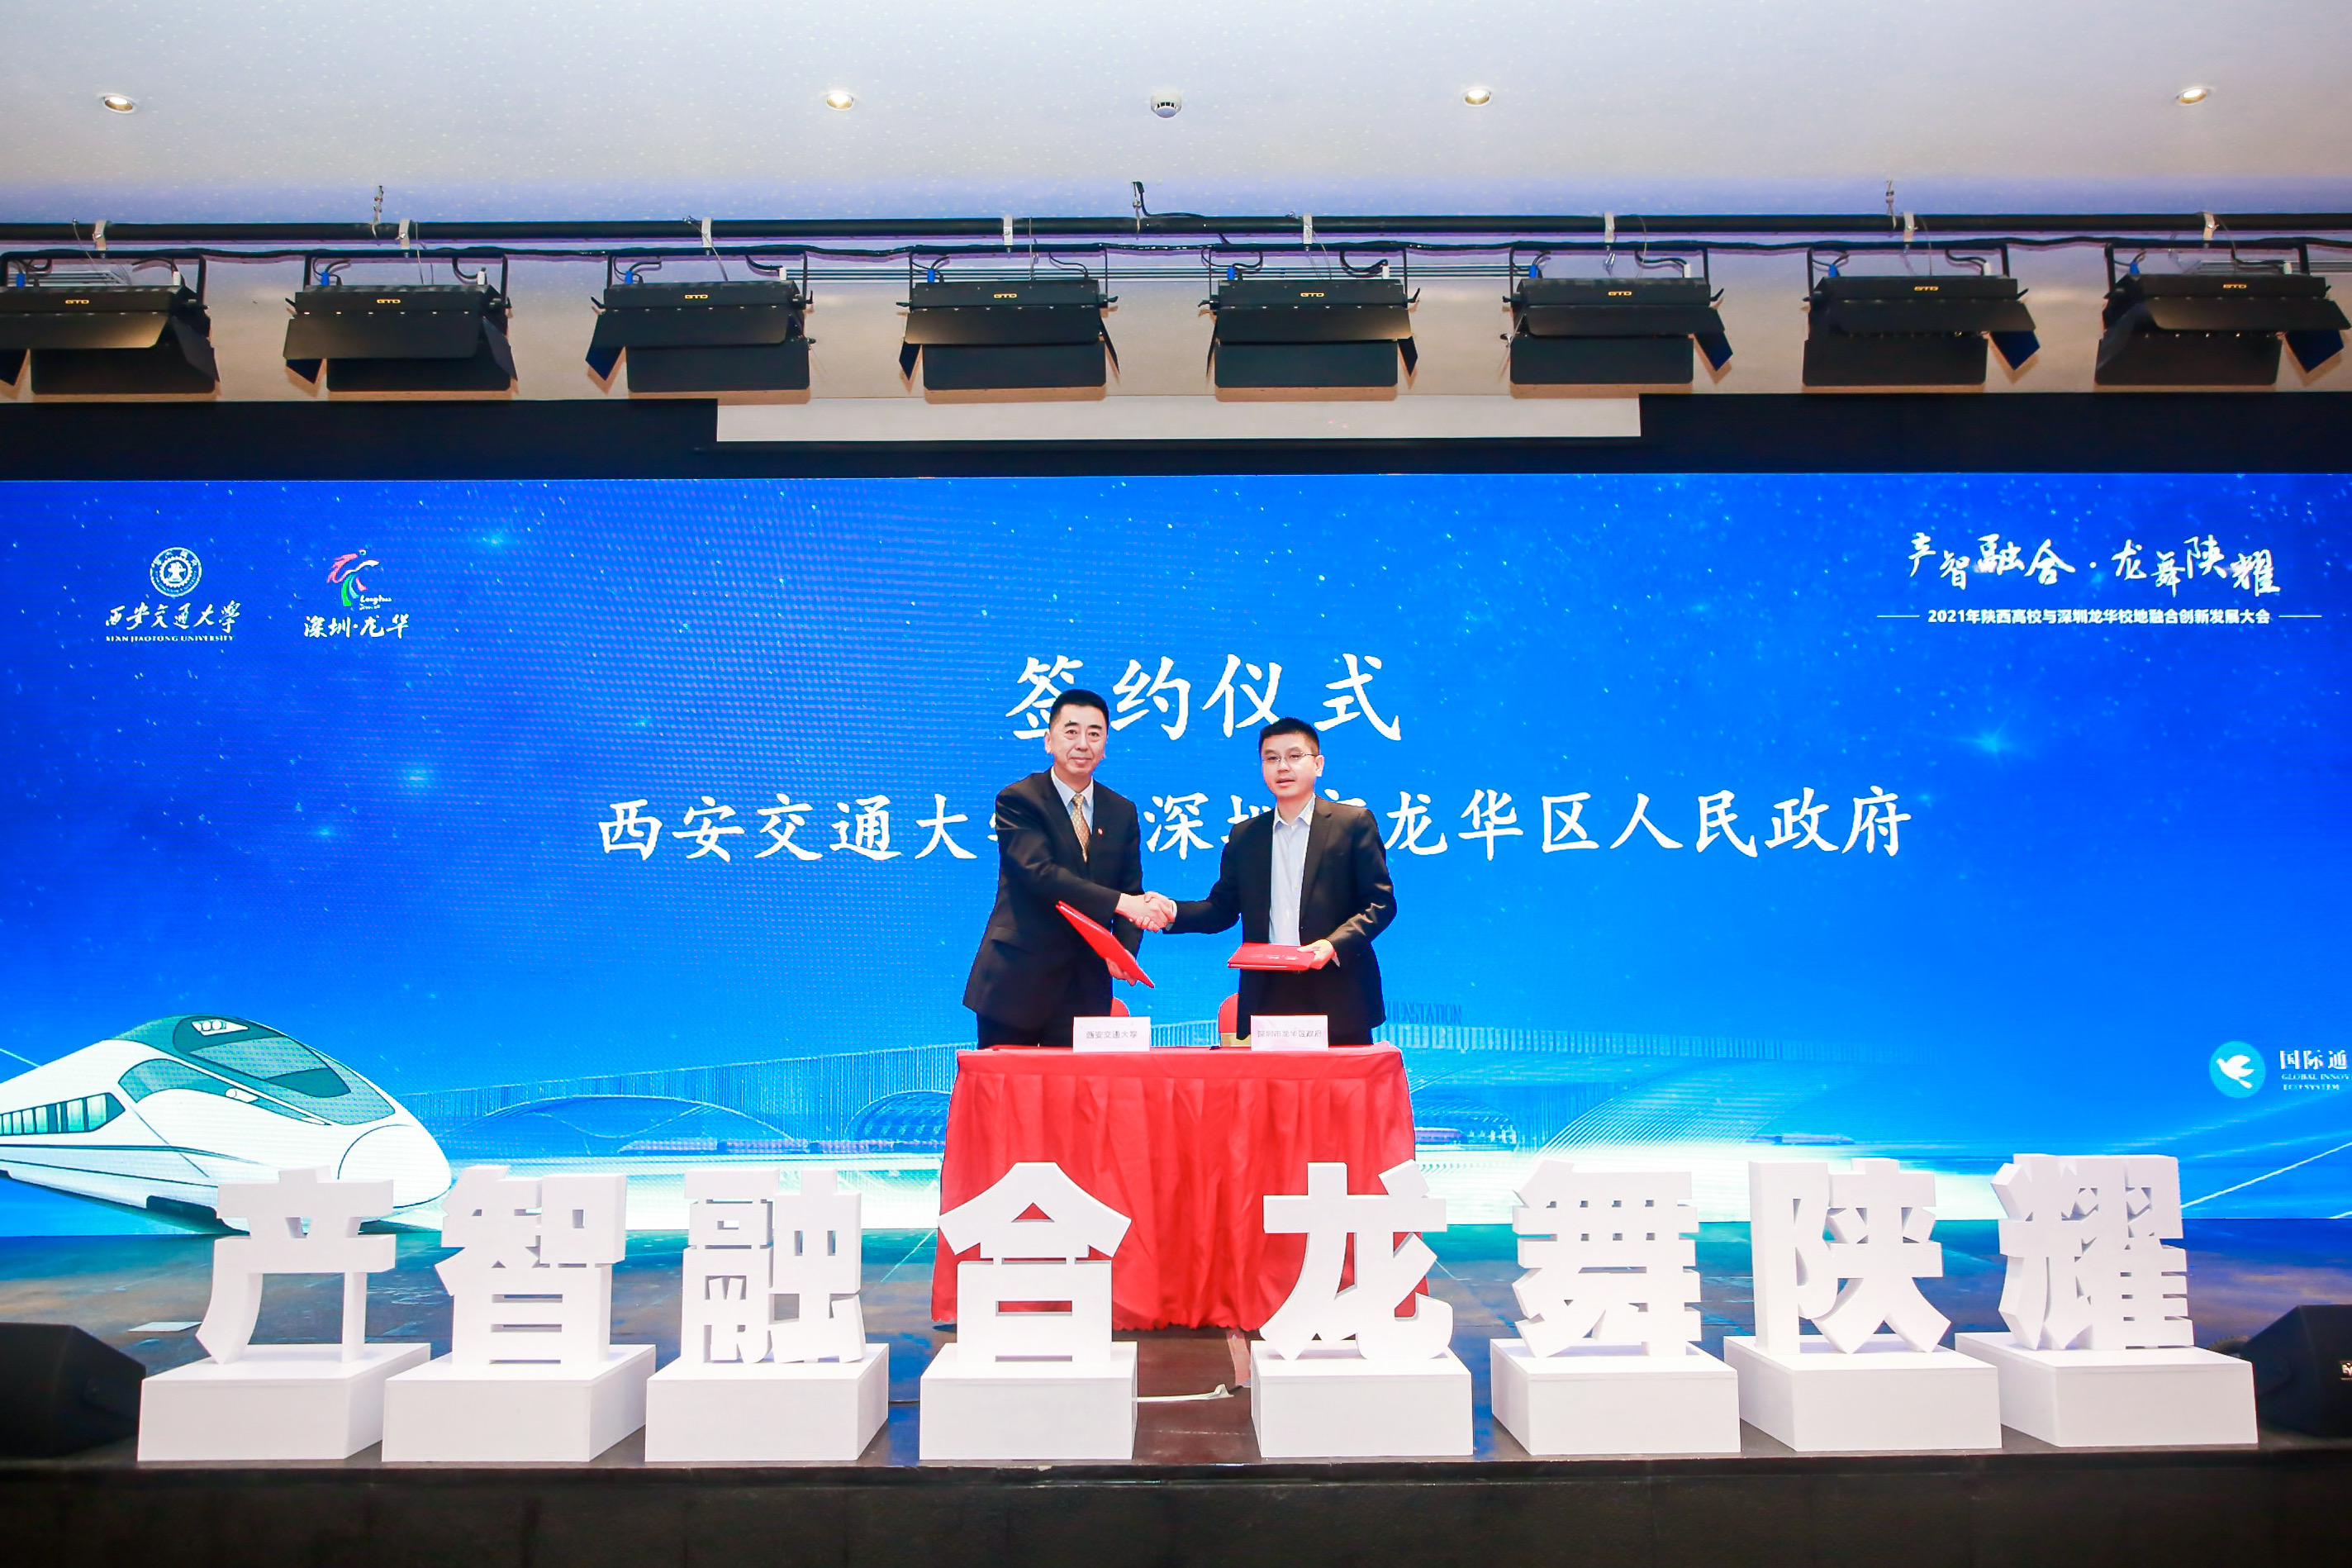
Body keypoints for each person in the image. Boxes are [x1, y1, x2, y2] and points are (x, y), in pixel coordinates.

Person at [1165, 717, 1396, 1044]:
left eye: (1294, 756)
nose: (1282, 767)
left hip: (1338, 987)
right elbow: (1222, 910)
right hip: (1270, 991)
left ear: (1318, 765)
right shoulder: (1245, 836)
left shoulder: (1352, 823)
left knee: (1340, 1079)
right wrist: (1172, 912)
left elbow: (1380, 903)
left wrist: (1333, 945)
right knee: (1275, 1079)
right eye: (1271, 758)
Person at [962, 687, 1173, 1048]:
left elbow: (1130, 887)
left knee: (1076, 1086)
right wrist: (1123, 903)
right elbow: (1040, 875)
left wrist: (1124, 951)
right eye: (1071, 731)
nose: (1083, 744)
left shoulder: (1121, 811)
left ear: (1105, 746)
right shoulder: (1019, 800)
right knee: (1010, 1086)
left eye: (1094, 734)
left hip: (1084, 989)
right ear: (1048, 740)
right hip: (1016, 984)